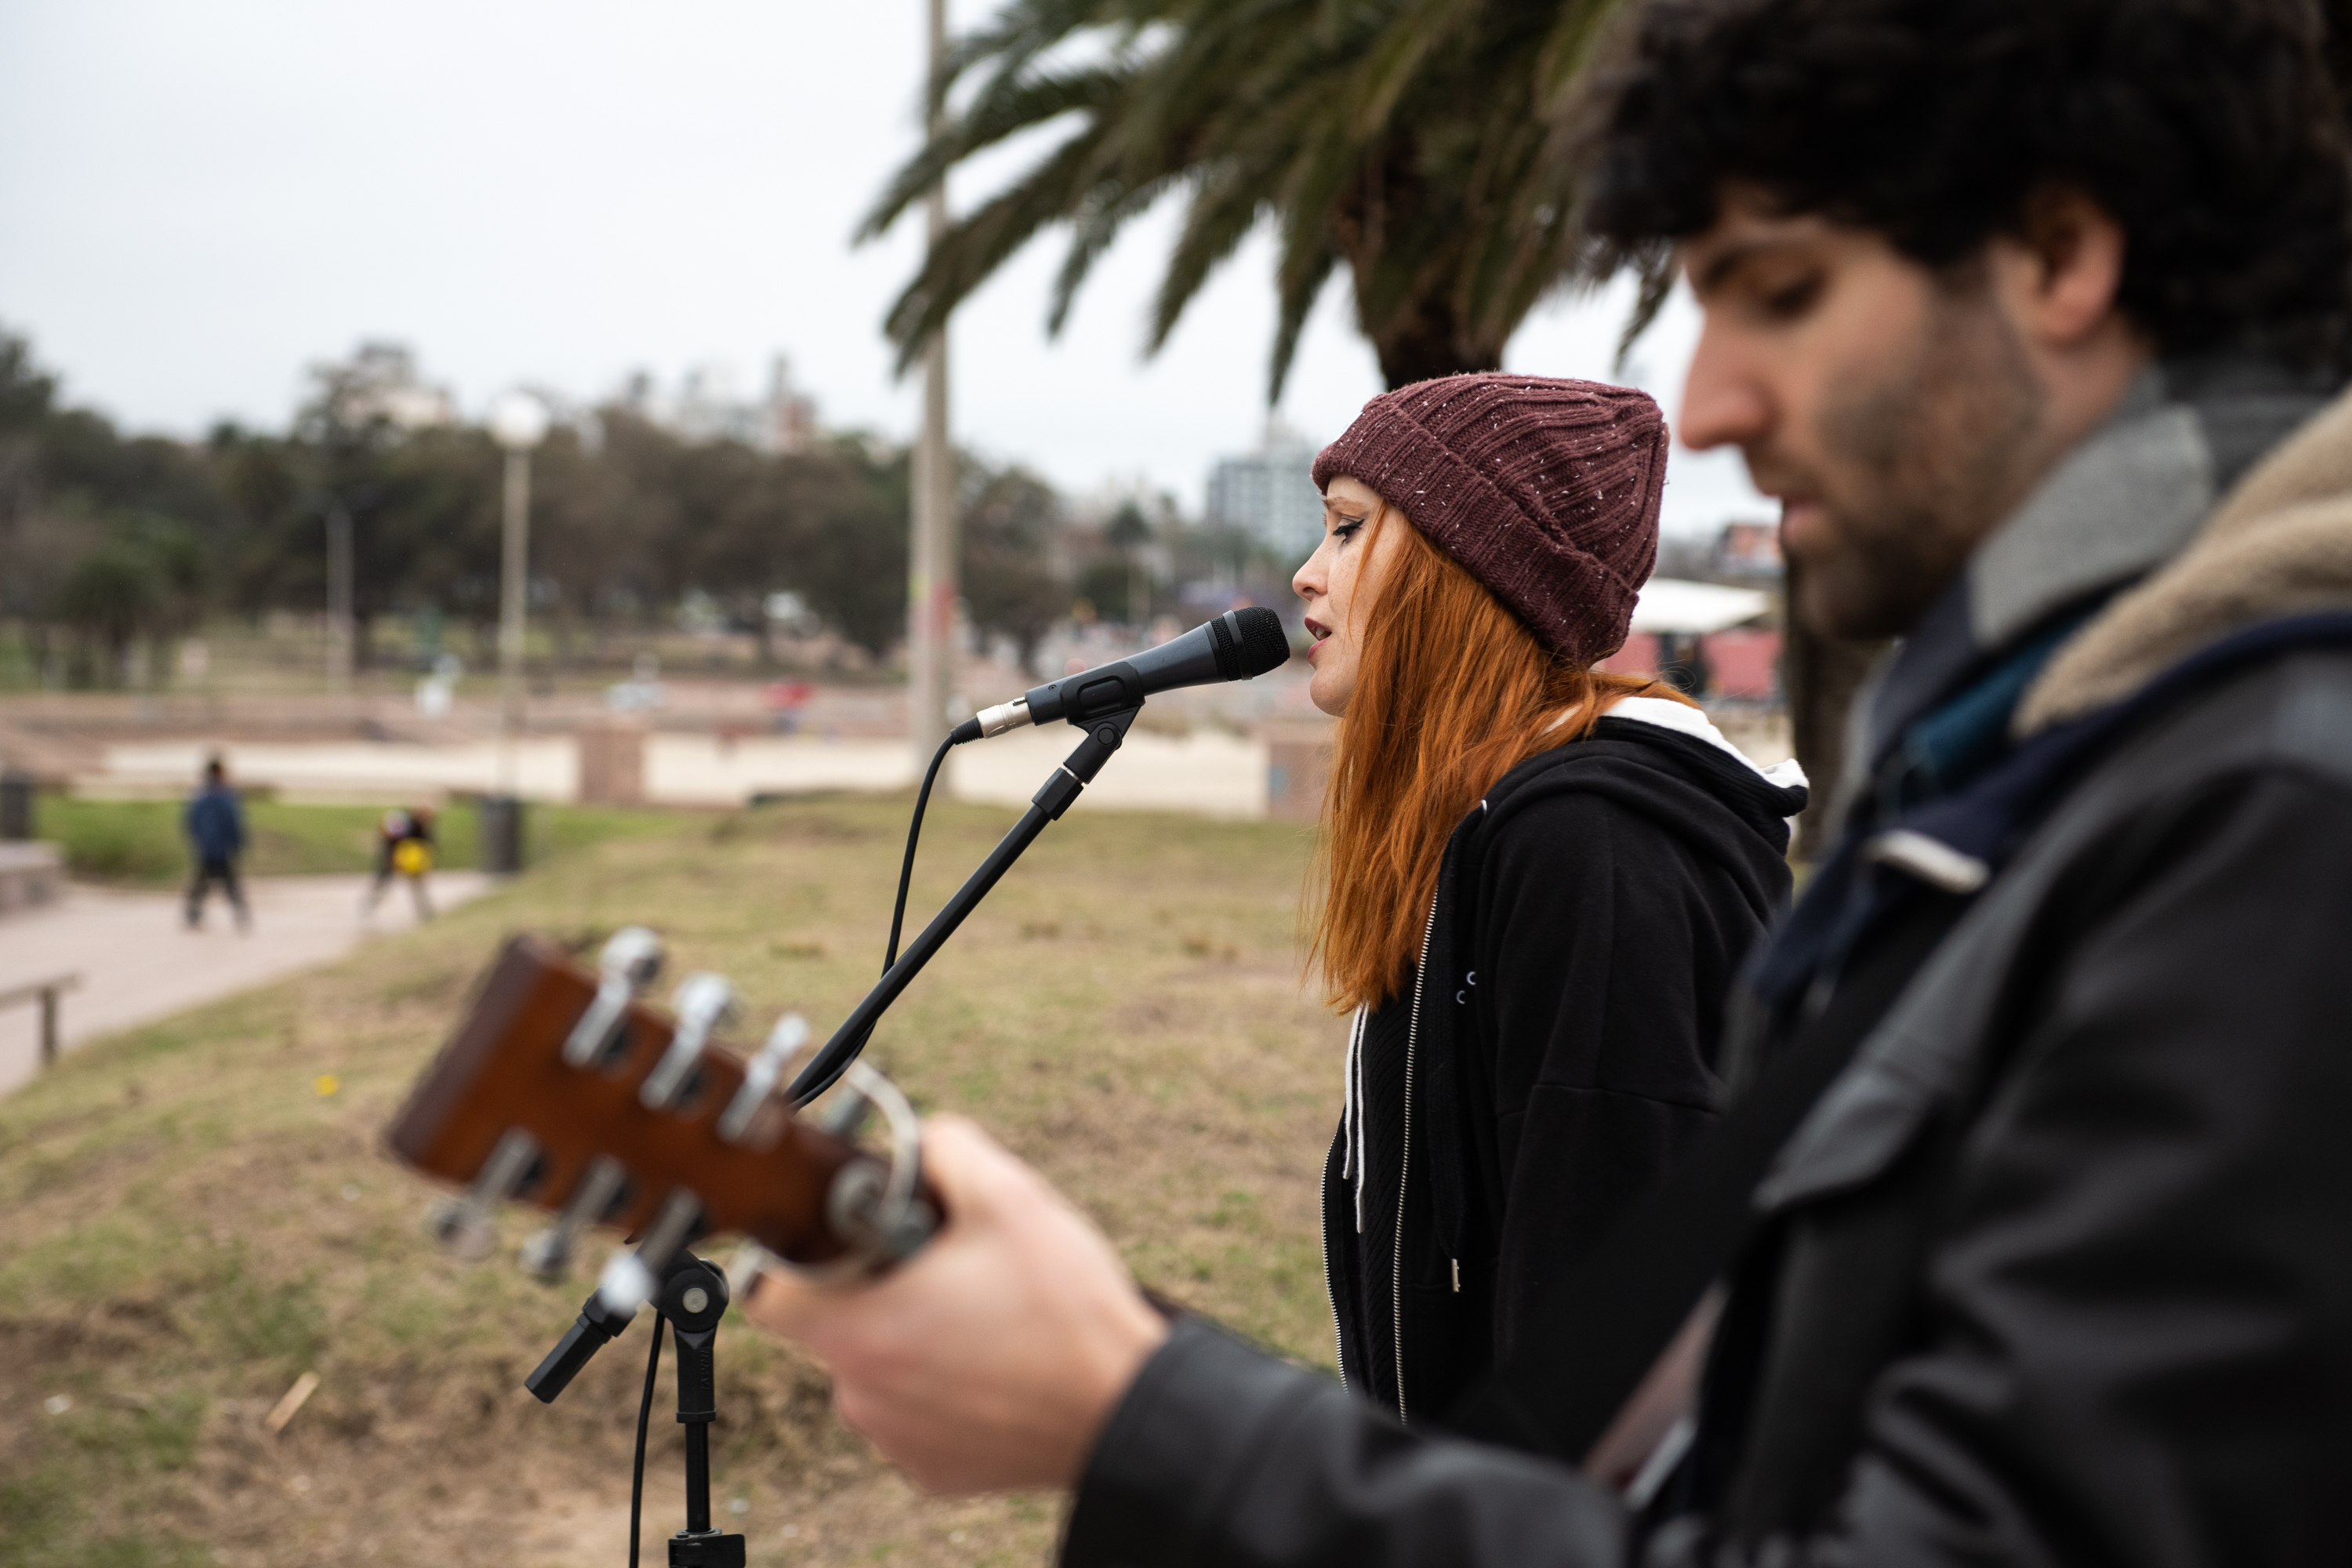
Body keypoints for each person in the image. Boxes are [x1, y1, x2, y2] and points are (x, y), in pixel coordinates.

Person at [742, 1, 2352, 1563]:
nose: (1707, 404)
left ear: (2060, 257)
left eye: (1777, 288)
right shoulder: (2056, 796)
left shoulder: (2270, 823)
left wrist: (1135, 1419)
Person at [1298, 375, 1806, 1425]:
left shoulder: (1591, 852)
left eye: (1348, 531)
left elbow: (1599, 1333)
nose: (1308, 576)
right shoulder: (1488, 830)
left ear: (1465, 569)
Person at [182, 757, 249, 932]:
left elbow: (191, 823)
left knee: (203, 883)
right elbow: (234, 823)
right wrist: (237, 844)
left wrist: (198, 841)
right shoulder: (225, 796)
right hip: (221, 849)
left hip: (206, 848)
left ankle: (193, 915)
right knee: (229, 885)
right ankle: (241, 917)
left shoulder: (200, 795)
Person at [361, 805, 436, 923]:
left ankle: (427, 916)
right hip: (393, 862)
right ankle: (367, 910)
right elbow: (388, 845)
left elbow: (426, 850)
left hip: (412, 864)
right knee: (382, 887)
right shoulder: (403, 823)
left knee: (418, 889)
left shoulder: (420, 830)